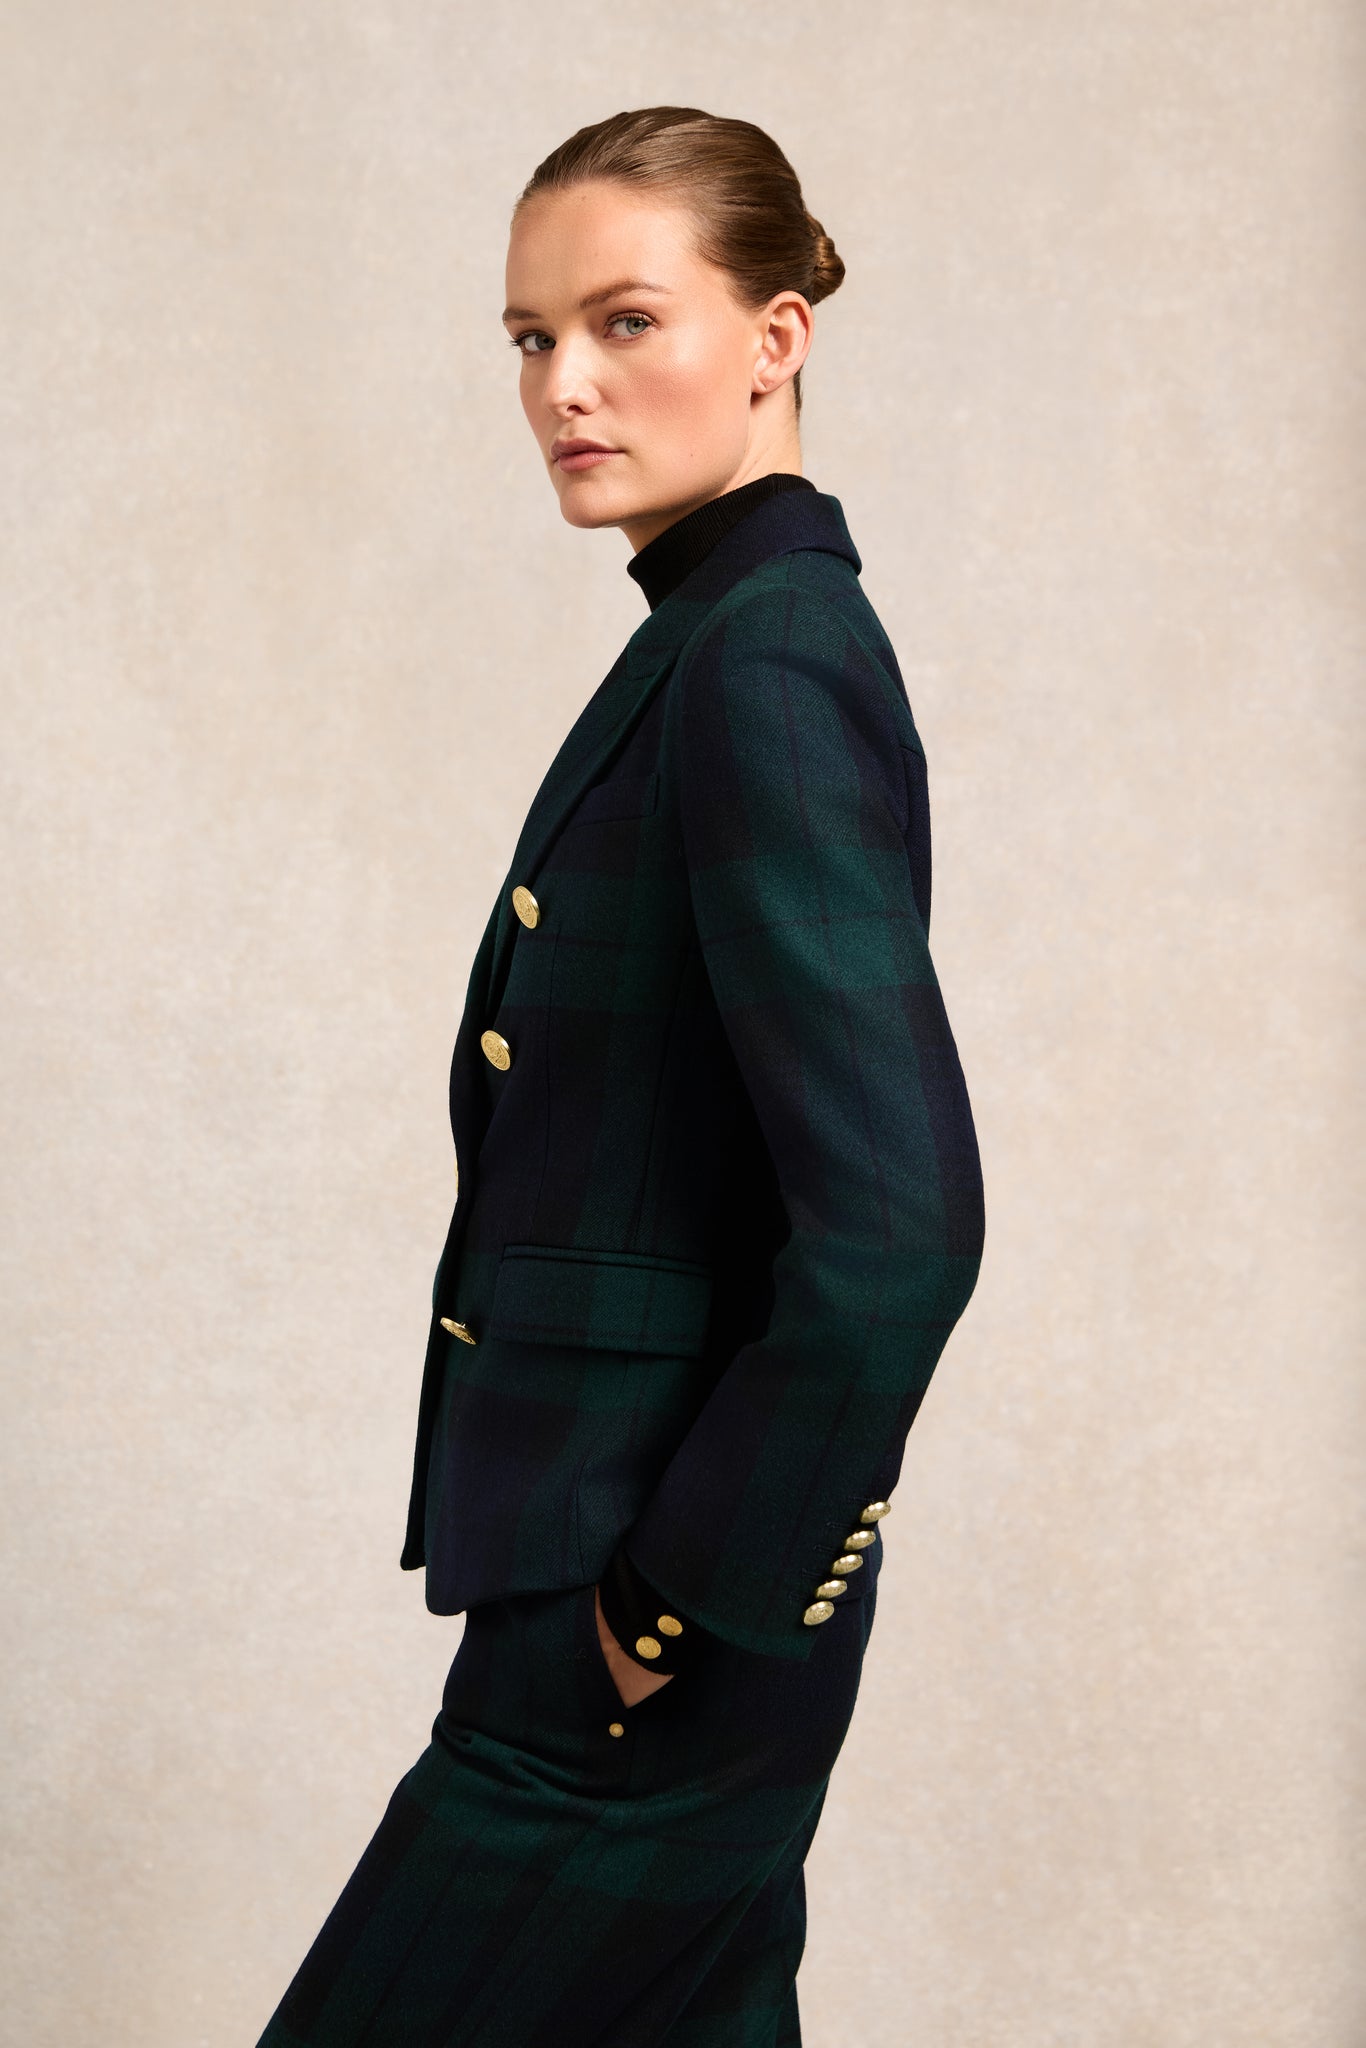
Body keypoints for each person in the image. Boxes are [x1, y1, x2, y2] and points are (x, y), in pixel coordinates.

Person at [253, 104, 984, 2048]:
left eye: (624, 321)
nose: (562, 385)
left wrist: (661, 1612)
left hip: (640, 1641)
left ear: (774, 336)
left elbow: (898, 1228)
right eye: (529, 337)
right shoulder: (718, 638)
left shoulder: (762, 663)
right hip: (623, 1612)